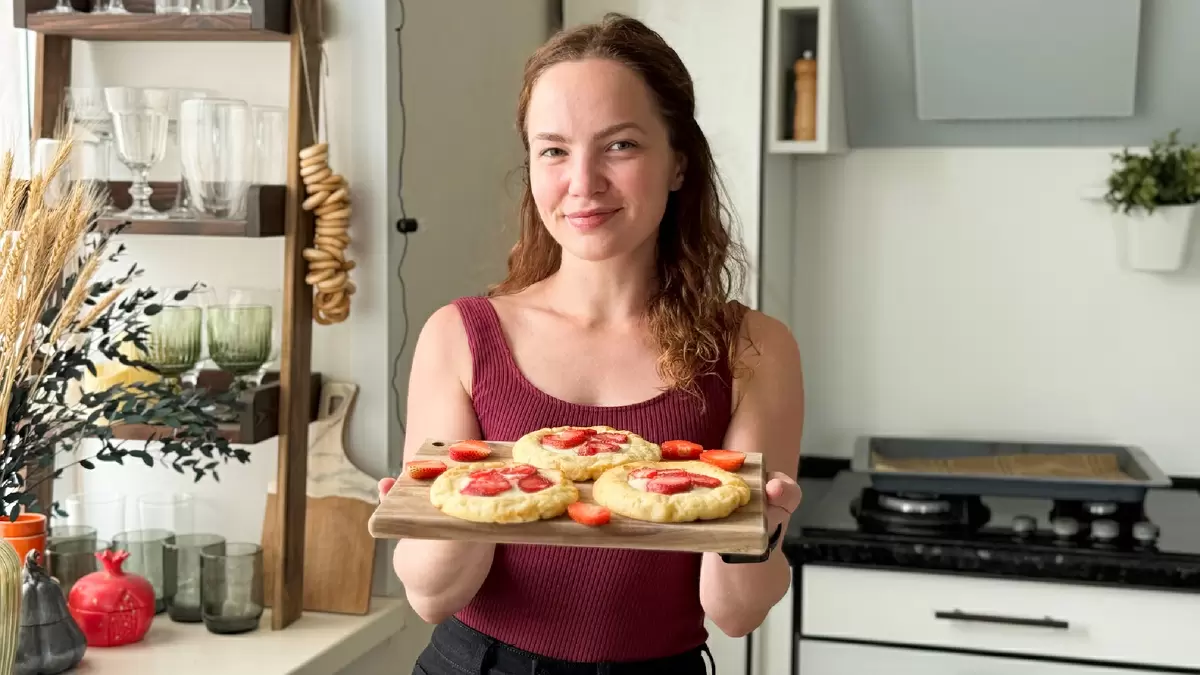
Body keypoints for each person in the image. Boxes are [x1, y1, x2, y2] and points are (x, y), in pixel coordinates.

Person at [378, 13, 805, 675]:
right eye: (553, 150)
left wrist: (762, 530)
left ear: (678, 163)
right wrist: (449, 509)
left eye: (620, 145)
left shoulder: (753, 349)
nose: (583, 181)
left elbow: (735, 611)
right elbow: (432, 596)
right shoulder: (460, 337)